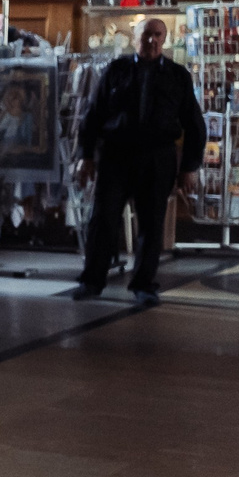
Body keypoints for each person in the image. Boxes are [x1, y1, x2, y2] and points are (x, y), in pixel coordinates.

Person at [73, 16, 206, 304]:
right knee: (103, 218)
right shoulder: (116, 70)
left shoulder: (178, 76)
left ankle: (144, 284)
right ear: (135, 38)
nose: (152, 40)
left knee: (152, 222)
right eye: (146, 35)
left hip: (158, 157)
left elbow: (194, 124)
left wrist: (189, 167)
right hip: (116, 155)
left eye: (158, 35)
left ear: (165, 39)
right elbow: (93, 115)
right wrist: (85, 156)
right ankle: (92, 281)